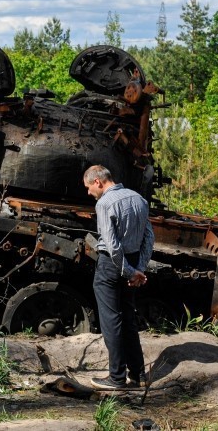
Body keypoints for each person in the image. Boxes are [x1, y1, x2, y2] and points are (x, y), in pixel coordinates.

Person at [84, 164, 154, 390]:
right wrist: (139, 268)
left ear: (98, 181)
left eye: (88, 187)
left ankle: (116, 378)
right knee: (128, 318)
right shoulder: (139, 199)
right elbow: (149, 238)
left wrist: (130, 272)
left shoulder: (104, 203)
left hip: (112, 265)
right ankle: (137, 375)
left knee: (111, 320)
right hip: (132, 262)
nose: (88, 193)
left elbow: (113, 247)